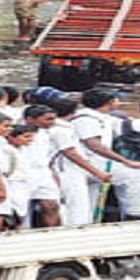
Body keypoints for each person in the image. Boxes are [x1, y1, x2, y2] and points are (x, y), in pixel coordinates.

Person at [72, 88, 140, 221]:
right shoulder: (86, 119)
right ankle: (137, 214)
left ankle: (96, 222)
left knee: (91, 204)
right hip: (89, 164)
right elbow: (94, 145)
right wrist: (126, 161)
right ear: (110, 102)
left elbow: (132, 125)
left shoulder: (103, 118)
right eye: (117, 100)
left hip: (98, 163)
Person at [48, 97, 113, 226]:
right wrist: (97, 172)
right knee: (77, 205)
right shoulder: (62, 130)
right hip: (67, 171)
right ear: (73, 112)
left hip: (62, 170)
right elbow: (71, 153)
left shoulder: (54, 128)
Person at [21, 105, 61, 227]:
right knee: (21, 211)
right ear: (30, 119)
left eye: (53, 119)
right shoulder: (15, 133)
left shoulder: (46, 134)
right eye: (48, 119)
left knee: (51, 205)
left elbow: (48, 157)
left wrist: (53, 173)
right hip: (23, 173)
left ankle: (52, 235)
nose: (52, 123)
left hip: (43, 173)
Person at [4, 124, 37, 228]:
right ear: (11, 137)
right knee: (11, 213)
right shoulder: (6, 150)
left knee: (21, 213)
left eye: (31, 137)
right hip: (12, 183)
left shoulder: (24, 149)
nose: (30, 140)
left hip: (24, 184)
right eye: (26, 137)